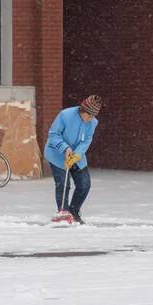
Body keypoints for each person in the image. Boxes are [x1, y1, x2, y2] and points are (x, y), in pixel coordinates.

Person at [44, 95, 102, 224]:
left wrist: (77, 154)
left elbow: (87, 140)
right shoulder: (65, 115)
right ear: (82, 110)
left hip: (77, 156)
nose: (90, 119)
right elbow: (53, 134)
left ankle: (74, 212)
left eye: (93, 116)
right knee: (64, 184)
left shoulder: (93, 122)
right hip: (57, 155)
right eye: (89, 115)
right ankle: (63, 213)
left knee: (84, 184)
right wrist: (65, 149)